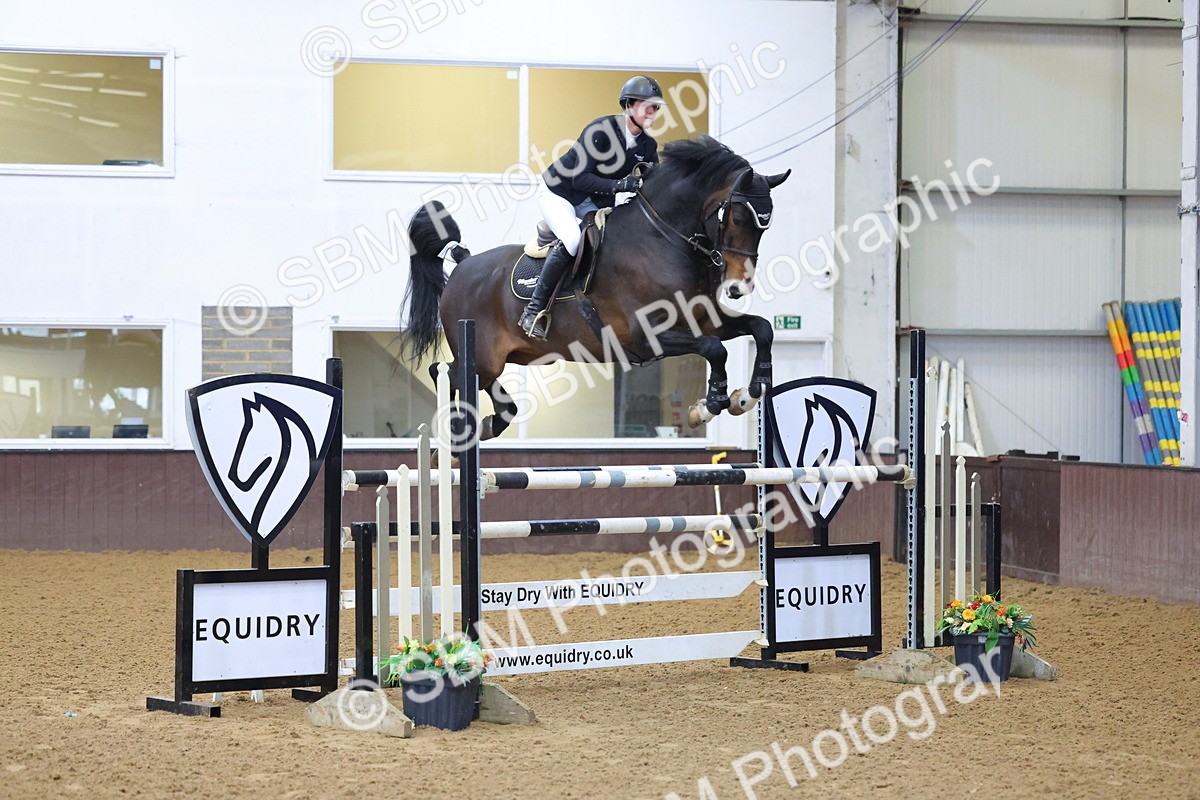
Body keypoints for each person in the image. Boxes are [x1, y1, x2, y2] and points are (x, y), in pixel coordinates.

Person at [518, 75, 664, 339]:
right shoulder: (600, 131)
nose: (652, 112)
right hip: (559, 193)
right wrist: (620, 186)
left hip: (592, 200)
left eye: (655, 107)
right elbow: (580, 179)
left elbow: (654, 185)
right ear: (628, 105)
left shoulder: (648, 146)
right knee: (574, 240)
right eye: (646, 106)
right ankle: (533, 310)